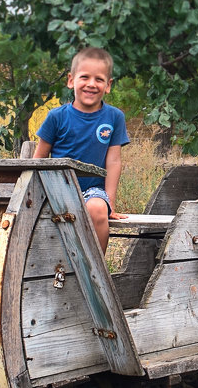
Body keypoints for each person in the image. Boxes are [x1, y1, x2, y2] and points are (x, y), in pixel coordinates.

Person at [33, 47, 129, 252]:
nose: (91, 84)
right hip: (59, 189)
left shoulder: (114, 117)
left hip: (94, 191)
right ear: (71, 80)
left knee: (96, 208)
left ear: (108, 85)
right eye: (84, 77)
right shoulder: (57, 117)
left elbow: (113, 161)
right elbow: (38, 160)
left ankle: (97, 273)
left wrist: (109, 202)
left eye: (99, 79)